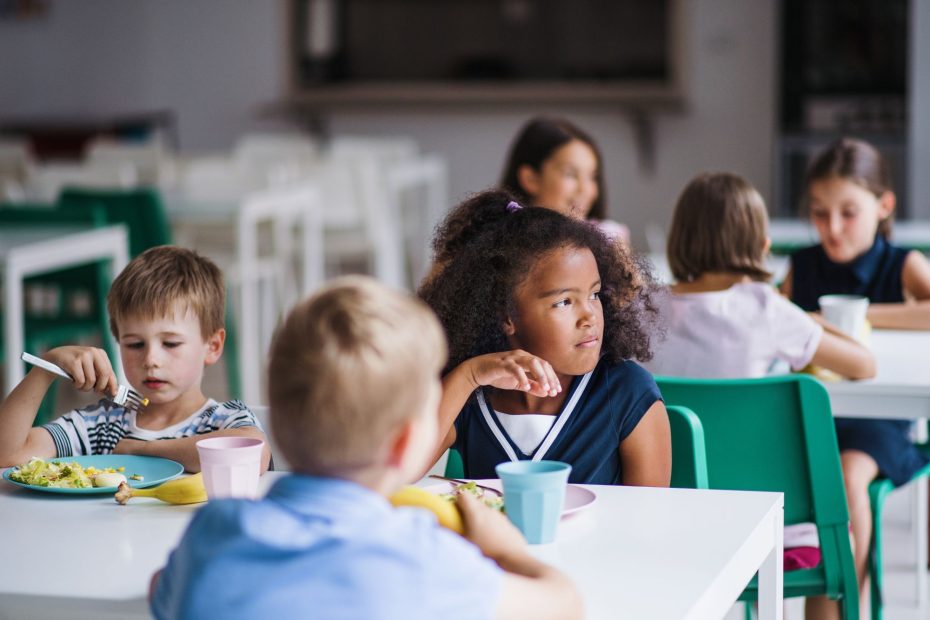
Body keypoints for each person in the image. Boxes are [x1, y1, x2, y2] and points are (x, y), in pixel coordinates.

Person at [150, 276, 582, 620]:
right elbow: (564, 603)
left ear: (275, 426)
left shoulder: (213, 535)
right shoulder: (427, 561)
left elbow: (161, 590)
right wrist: (504, 548)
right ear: (407, 443)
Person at [419, 189, 670, 486]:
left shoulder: (626, 391)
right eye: (564, 302)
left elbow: (648, 518)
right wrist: (469, 375)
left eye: (594, 294)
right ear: (506, 316)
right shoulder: (472, 395)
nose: (589, 316)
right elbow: (403, 469)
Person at [782, 138, 930, 613]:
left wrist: (862, 317)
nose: (833, 227)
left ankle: (844, 610)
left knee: (843, 481)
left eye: (848, 212)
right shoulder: (802, 266)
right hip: (811, 418)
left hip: (877, 424)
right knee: (804, 478)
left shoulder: (901, 263)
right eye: (820, 213)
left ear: (883, 206)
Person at [0, 245, 270, 473]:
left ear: (212, 346)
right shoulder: (103, 426)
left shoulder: (223, 419)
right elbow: (7, 455)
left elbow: (251, 454)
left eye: (171, 343)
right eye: (135, 344)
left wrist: (142, 450)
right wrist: (45, 370)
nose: (151, 359)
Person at [642, 171, 875, 381]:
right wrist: (808, 318)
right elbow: (864, 365)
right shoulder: (766, 308)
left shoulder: (642, 306)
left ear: (678, 240)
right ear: (763, 247)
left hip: (666, 430)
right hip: (738, 430)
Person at [500, 116, 630, 242]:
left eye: (592, 177)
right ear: (531, 179)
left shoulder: (609, 239)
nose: (585, 189)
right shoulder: (504, 244)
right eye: (570, 174)